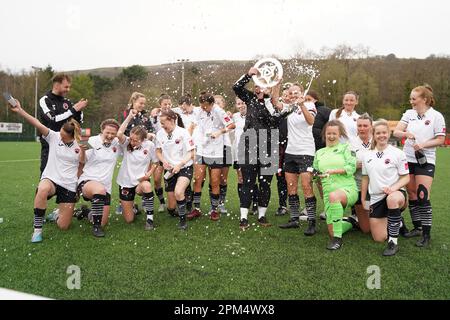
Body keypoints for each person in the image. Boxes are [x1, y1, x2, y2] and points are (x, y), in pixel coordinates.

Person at [9, 99, 81, 243]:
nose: (60, 137)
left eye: (64, 137)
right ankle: (37, 230)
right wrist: (21, 111)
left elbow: (82, 168)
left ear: (72, 137)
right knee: (42, 188)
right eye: (60, 134)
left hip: (68, 185)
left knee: (63, 226)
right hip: (52, 179)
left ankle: (57, 214)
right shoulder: (54, 137)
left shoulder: (80, 147)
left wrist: (78, 187)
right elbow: (37, 123)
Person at [393, 85, 446, 247]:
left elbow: (440, 139)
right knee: (412, 193)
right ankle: (417, 228)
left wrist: (423, 144)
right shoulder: (409, 114)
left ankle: (426, 235)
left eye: (414, 99)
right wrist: (406, 134)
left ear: (424, 99)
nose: (411, 102)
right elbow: (396, 132)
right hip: (407, 159)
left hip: (426, 159)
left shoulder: (436, 116)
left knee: (423, 194)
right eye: (410, 98)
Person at [233, 67, 282, 230]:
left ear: (269, 87)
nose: (258, 87)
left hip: (269, 145)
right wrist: (248, 75)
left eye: (262, 85)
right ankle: (243, 218)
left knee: (265, 183)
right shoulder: (249, 98)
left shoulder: (274, 104)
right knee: (247, 181)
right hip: (249, 144)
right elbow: (236, 88)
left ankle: (262, 216)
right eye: (256, 85)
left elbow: (276, 120)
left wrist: (271, 96)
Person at [361, 120, 410, 256]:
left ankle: (393, 243)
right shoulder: (367, 155)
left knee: (392, 200)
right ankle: (397, 221)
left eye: (384, 132)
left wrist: (394, 188)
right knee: (378, 238)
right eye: (378, 133)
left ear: (389, 134)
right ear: (373, 135)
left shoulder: (397, 153)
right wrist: (364, 198)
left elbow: (406, 177)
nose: (381, 135)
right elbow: (365, 178)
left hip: (395, 194)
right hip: (376, 197)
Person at [276, 84, 318, 235]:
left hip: (306, 151)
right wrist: (277, 84)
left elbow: (311, 121)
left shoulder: (309, 104)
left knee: (307, 186)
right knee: (291, 186)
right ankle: (294, 219)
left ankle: (312, 222)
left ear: (301, 93)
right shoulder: (288, 107)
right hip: (290, 152)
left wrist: (301, 105)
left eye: (296, 92)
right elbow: (275, 102)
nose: (293, 94)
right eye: (290, 92)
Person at [187, 92, 235, 221]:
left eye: (206, 106)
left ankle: (214, 210)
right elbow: (191, 120)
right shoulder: (199, 110)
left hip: (216, 151)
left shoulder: (219, 111)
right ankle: (196, 209)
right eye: (201, 106)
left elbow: (231, 125)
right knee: (198, 179)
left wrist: (220, 131)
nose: (203, 108)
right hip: (202, 149)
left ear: (212, 104)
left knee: (214, 181)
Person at [313, 120, 358, 250]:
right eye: (329, 133)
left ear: (340, 135)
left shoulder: (346, 148)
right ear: (324, 134)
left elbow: (351, 167)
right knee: (332, 230)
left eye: (334, 133)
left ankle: (337, 240)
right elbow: (316, 174)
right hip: (329, 194)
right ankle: (351, 222)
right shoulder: (319, 153)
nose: (331, 136)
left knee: (334, 196)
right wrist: (315, 175)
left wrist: (333, 171)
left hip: (347, 189)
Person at [76, 119, 121, 237]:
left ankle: (85, 212)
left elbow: (129, 139)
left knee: (103, 221)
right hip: (88, 181)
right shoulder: (91, 140)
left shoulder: (117, 142)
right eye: (108, 132)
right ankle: (96, 228)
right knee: (99, 190)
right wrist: (82, 149)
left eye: (113, 133)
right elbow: (82, 160)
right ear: (102, 130)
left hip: (106, 186)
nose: (110, 136)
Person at [116, 110, 158, 230]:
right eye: (131, 139)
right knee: (129, 220)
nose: (132, 142)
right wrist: (129, 116)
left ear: (143, 140)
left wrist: (149, 174)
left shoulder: (149, 145)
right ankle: (133, 208)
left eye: (136, 140)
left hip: (140, 181)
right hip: (125, 182)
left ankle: (150, 220)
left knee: (147, 186)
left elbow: (155, 162)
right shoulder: (127, 143)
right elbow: (119, 134)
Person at [38, 73, 87, 175]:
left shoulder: (67, 102)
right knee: (46, 176)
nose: (68, 89)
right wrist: (73, 109)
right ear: (56, 85)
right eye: (66, 86)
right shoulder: (45, 100)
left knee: (68, 175)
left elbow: (78, 122)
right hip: (50, 144)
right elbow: (53, 120)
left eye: (69, 87)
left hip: (68, 144)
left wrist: (79, 111)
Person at [155, 109, 195, 230]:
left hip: (184, 167)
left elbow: (192, 152)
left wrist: (180, 164)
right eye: (160, 123)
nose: (161, 126)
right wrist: (164, 161)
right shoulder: (160, 134)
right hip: (170, 170)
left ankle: (183, 222)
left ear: (172, 120)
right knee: (171, 208)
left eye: (163, 123)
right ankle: (186, 193)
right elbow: (158, 151)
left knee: (178, 192)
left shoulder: (183, 132)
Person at [306, 90, 331, 220]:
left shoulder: (325, 110)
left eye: (309, 99)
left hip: (320, 150)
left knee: (321, 181)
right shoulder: (301, 110)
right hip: (306, 150)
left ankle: (328, 208)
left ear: (315, 99)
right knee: (307, 179)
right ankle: (309, 206)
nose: (306, 101)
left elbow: (332, 126)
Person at [348, 113, 374, 234]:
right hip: (359, 186)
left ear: (371, 126)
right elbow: (346, 167)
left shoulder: (377, 140)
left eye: (365, 125)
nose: (362, 128)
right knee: (366, 229)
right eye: (359, 126)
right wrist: (355, 165)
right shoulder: (351, 143)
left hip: (377, 185)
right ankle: (353, 220)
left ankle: (397, 220)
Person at [150, 94, 174, 214]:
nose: (167, 106)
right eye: (165, 104)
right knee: (157, 179)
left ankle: (176, 200)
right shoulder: (154, 116)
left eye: (169, 104)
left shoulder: (174, 115)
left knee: (170, 178)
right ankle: (161, 202)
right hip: (158, 151)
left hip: (171, 151)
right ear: (160, 105)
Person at [214, 95, 233, 215]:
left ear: (223, 104)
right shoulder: (209, 116)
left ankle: (221, 203)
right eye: (214, 103)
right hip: (213, 149)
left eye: (218, 103)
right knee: (214, 178)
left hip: (226, 147)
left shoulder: (227, 116)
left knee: (223, 178)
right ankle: (214, 203)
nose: (216, 105)